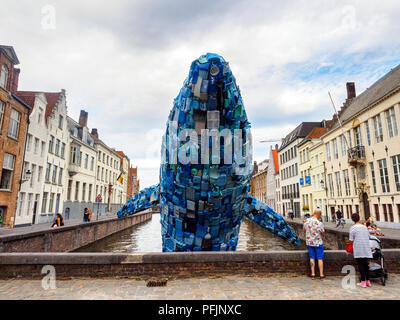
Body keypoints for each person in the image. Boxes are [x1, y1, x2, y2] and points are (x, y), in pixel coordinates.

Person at [349, 213, 373, 288]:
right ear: (359, 218)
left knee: (360, 264)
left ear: (352, 220)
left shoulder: (353, 228)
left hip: (358, 248)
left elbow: (351, 239)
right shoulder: (364, 227)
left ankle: (363, 281)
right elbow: (369, 236)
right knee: (366, 264)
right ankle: (368, 281)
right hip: (366, 247)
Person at [303, 209, 326, 280]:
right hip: (318, 243)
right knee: (320, 258)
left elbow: (304, 231)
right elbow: (323, 233)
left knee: (312, 258)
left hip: (309, 242)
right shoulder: (319, 223)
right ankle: (321, 274)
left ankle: (313, 274)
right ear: (319, 214)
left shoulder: (306, 221)